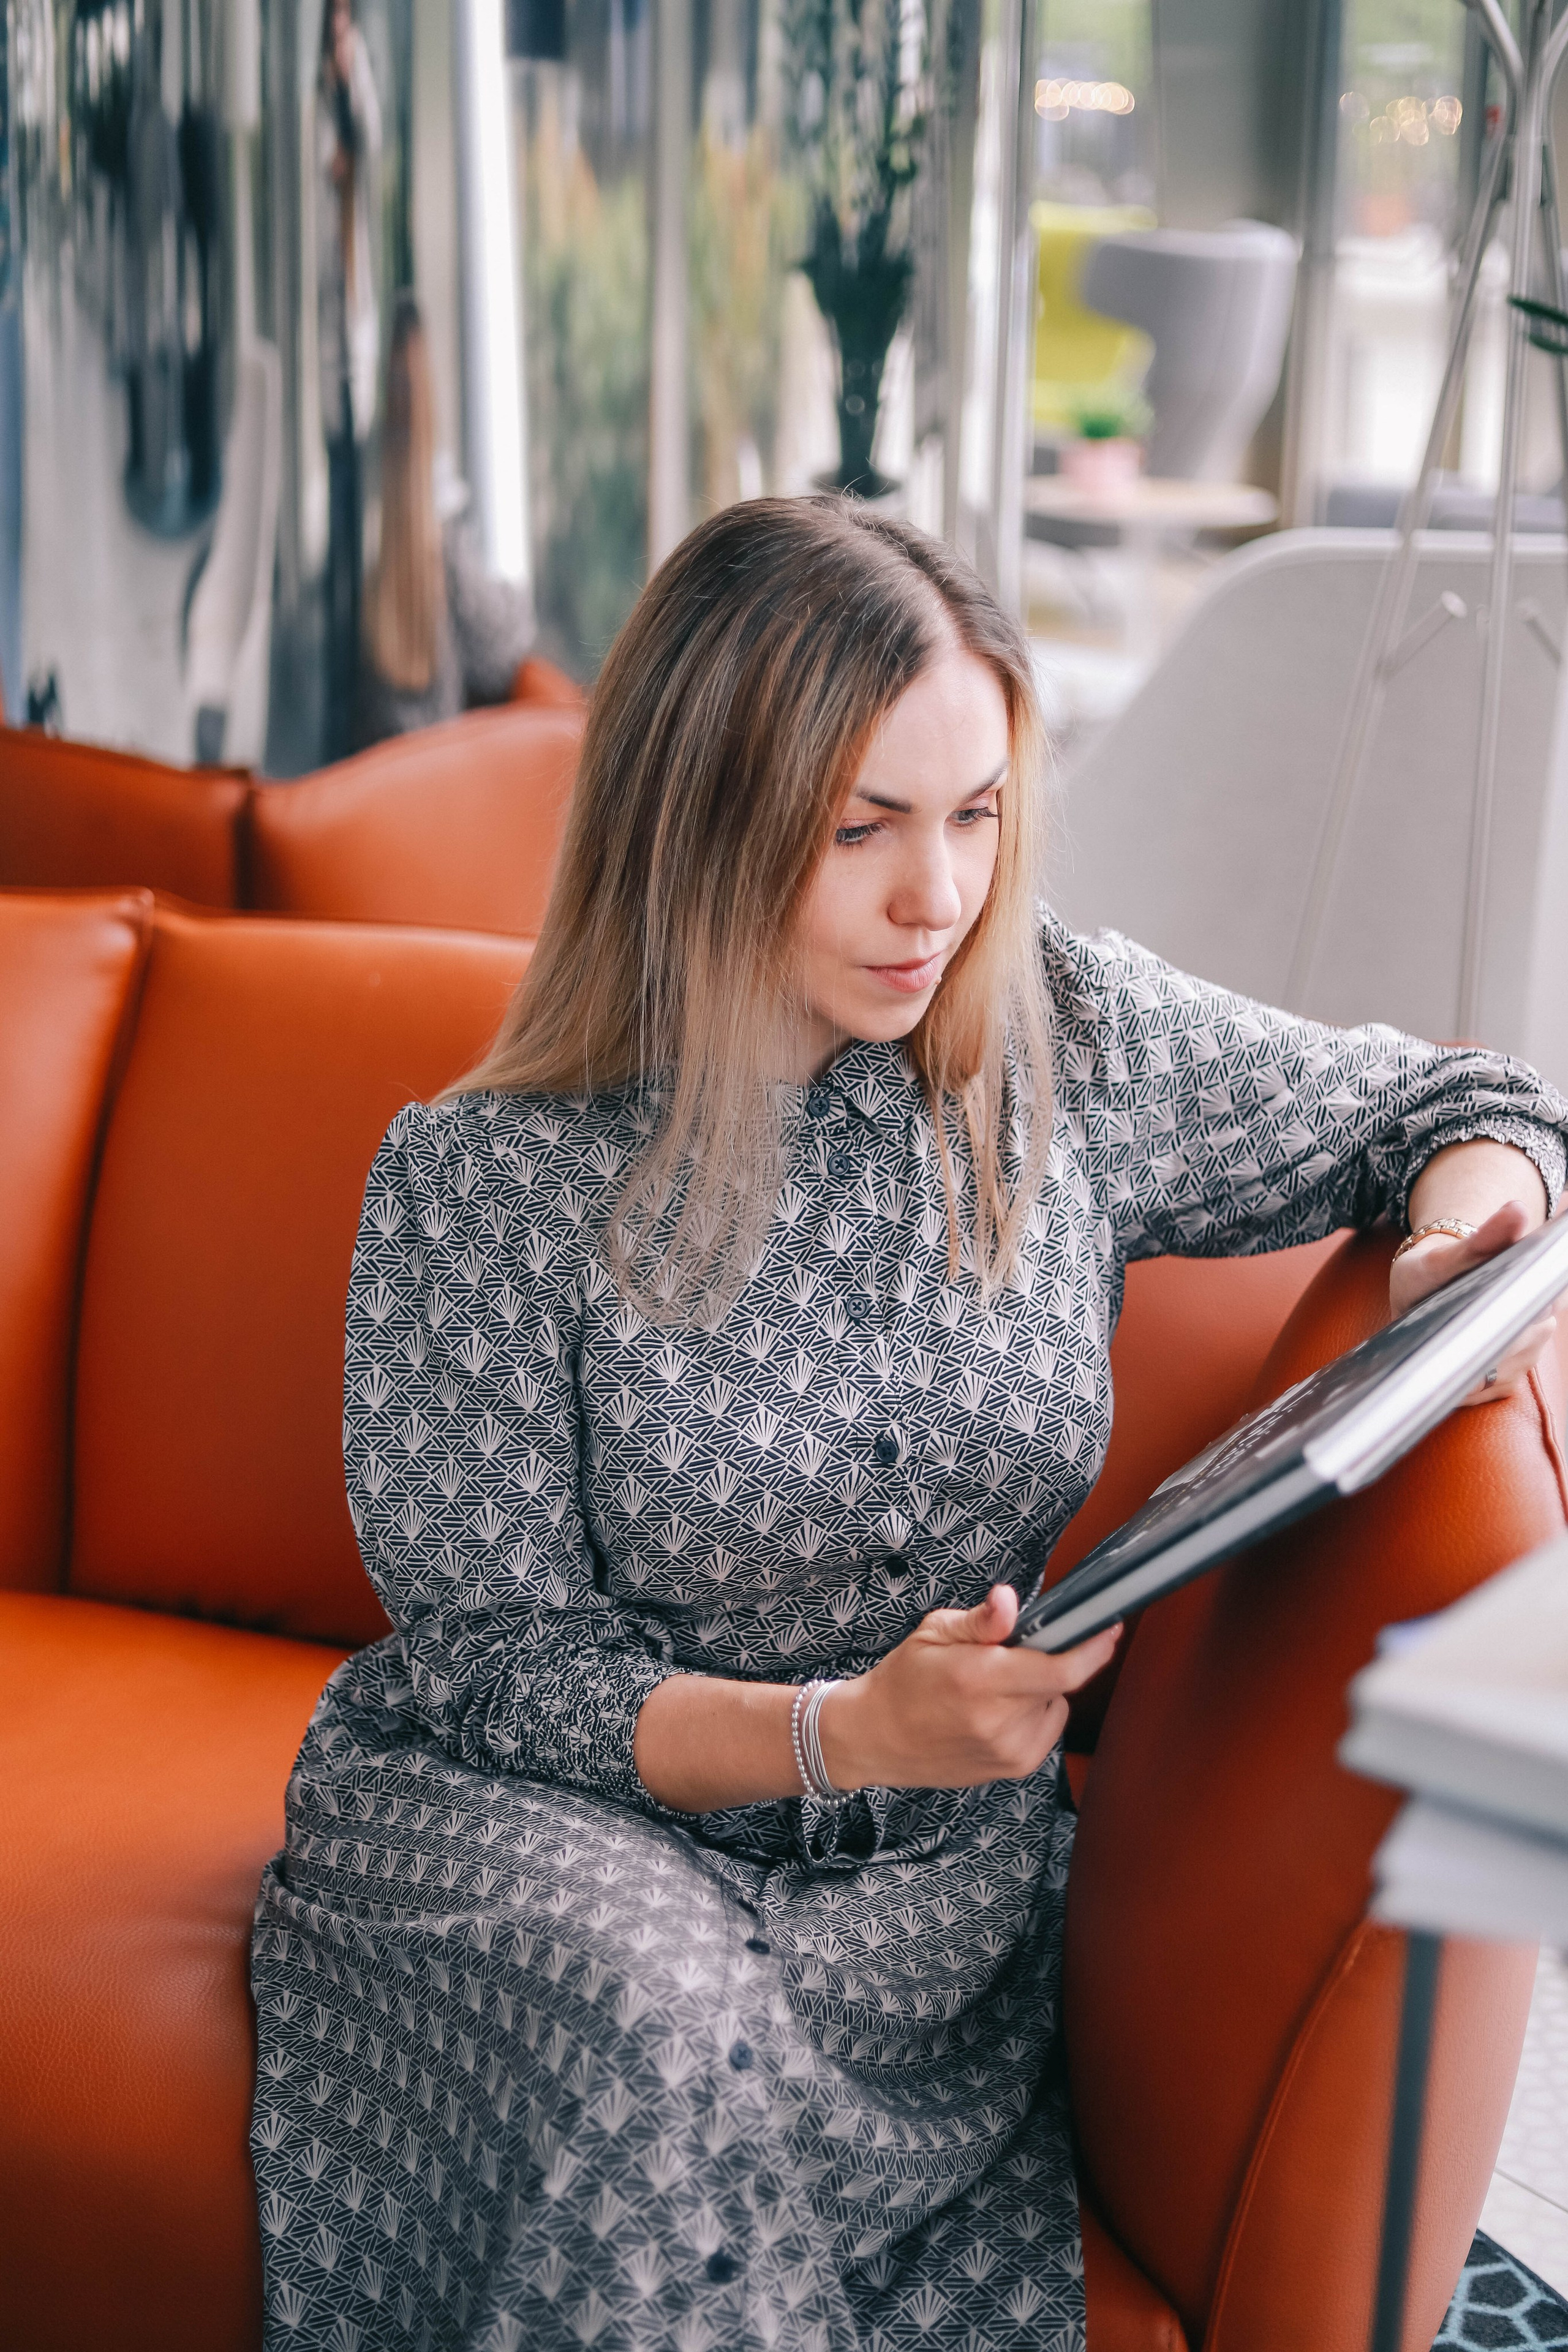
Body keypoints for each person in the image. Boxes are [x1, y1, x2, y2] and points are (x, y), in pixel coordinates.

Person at [252, 499, 1567, 2350]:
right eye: (860, 826)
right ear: (696, 821)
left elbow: (1468, 1099)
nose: (933, 896)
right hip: (548, 1828)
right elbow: (497, 1679)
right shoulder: (481, 1181)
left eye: (974, 815)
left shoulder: (1064, 1045)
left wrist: (1452, 1234)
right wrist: (842, 1729)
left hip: (915, 1894)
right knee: (648, 2028)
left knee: (694, 2054)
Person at [358, 292, 535, 747]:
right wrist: (516, 595)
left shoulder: (353, 562)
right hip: (437, 773)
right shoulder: (447, 550)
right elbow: (502, 649)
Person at [315, 0, 380, 760]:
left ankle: (349, 707)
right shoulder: (316, 111)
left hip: (355, 362)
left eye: (343, 24)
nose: (337, 38)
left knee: (354, 534)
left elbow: (372, 150)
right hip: (326, 362)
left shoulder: (358, 97)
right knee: (333, 535)